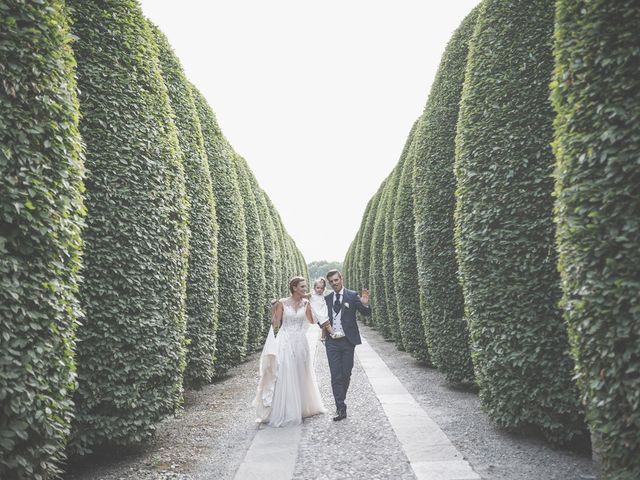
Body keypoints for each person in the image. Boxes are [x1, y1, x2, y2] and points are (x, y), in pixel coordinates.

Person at [253, 277, 326, 427]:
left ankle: (300, 407)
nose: (305, 289)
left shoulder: (306, 303)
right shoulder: (282, 303)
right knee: (285, 372)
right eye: (302, 287)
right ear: (294, 288)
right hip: (285, 341)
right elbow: (276, 324)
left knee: (300, 372)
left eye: (305, 287)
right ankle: (285, 409)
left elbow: (312, 321)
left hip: (300, 342)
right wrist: (274, 309)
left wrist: (314, 304)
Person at [321, 269, 370, 421]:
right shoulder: (327, 299)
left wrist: (365, 304)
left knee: (346, 374)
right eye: (331, 282)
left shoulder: (352, 295)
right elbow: (320, 319)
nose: (334, 283)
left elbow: (366, 313)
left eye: (336, 280)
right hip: (332, 343)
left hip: (348, 341)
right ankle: (340, 408)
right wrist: (325, 326)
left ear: (341, 279)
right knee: (335, 375)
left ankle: (340, 398)